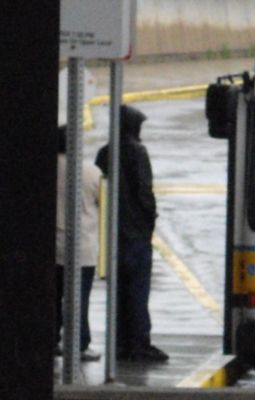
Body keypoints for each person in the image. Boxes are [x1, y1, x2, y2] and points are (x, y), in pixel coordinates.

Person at [95, 104, 168, 362]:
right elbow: (145, 192)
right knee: (138, 291)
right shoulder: (138, 152)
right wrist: (150, 220)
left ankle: (120, 342)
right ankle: (139, 342)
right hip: (135, 234)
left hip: (111, 235)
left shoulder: (104, 153)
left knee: (118, 291)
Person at [55, 125, 102, 362]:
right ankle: (80, 343)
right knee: (79, 298)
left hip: (53, 246)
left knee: (52, 296)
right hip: (82, 247)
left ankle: (52, 339)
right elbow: (104, 203)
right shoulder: (91, 172)